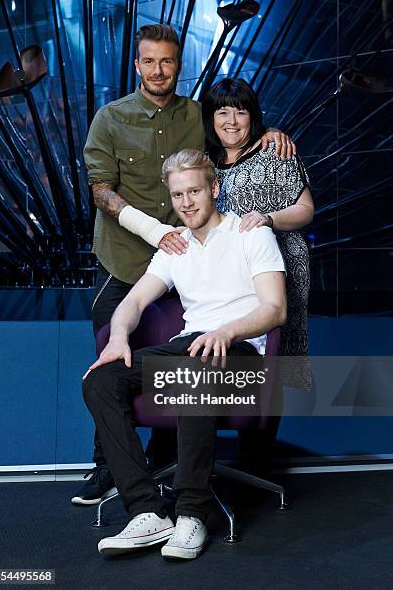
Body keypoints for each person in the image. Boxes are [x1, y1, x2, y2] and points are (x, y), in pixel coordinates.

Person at [75, 23, 294, 506]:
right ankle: (119, 478)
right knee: (110, 362)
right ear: (137, 65)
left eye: (167, 61)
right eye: (149, 61)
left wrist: (270, 133)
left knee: (194, 364)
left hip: (207, 291)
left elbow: (232, 131)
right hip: (133, 256)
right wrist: (158, 233)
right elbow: (100, 190)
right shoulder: (110, 118)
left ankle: (185, 499)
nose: (158, 70)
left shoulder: (199, 121)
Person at [82, 149, 286, 560]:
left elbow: (275, 308)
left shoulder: (251, 233)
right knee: (101, 380)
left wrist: (226, 331)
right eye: (178, 195)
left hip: (241, 349)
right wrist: (118, 337)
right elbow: (134, 303)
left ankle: (192, 512)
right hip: (190, 345)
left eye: (194, 191)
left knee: (198, 366)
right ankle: (147, 511)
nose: (187, 202)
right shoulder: (176, 247)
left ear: (214, 188)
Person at [203, 78, 314, 471]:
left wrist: (268, 219)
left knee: (274, 354)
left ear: (253, 116)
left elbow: (305, 209)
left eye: (241, 110)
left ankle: (257, 456)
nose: (232, 120)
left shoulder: (274, 151)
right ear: (210, 117)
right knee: (235, 350)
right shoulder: (206, 161)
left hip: (279, 265)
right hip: (228, 274)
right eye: (222, 111)